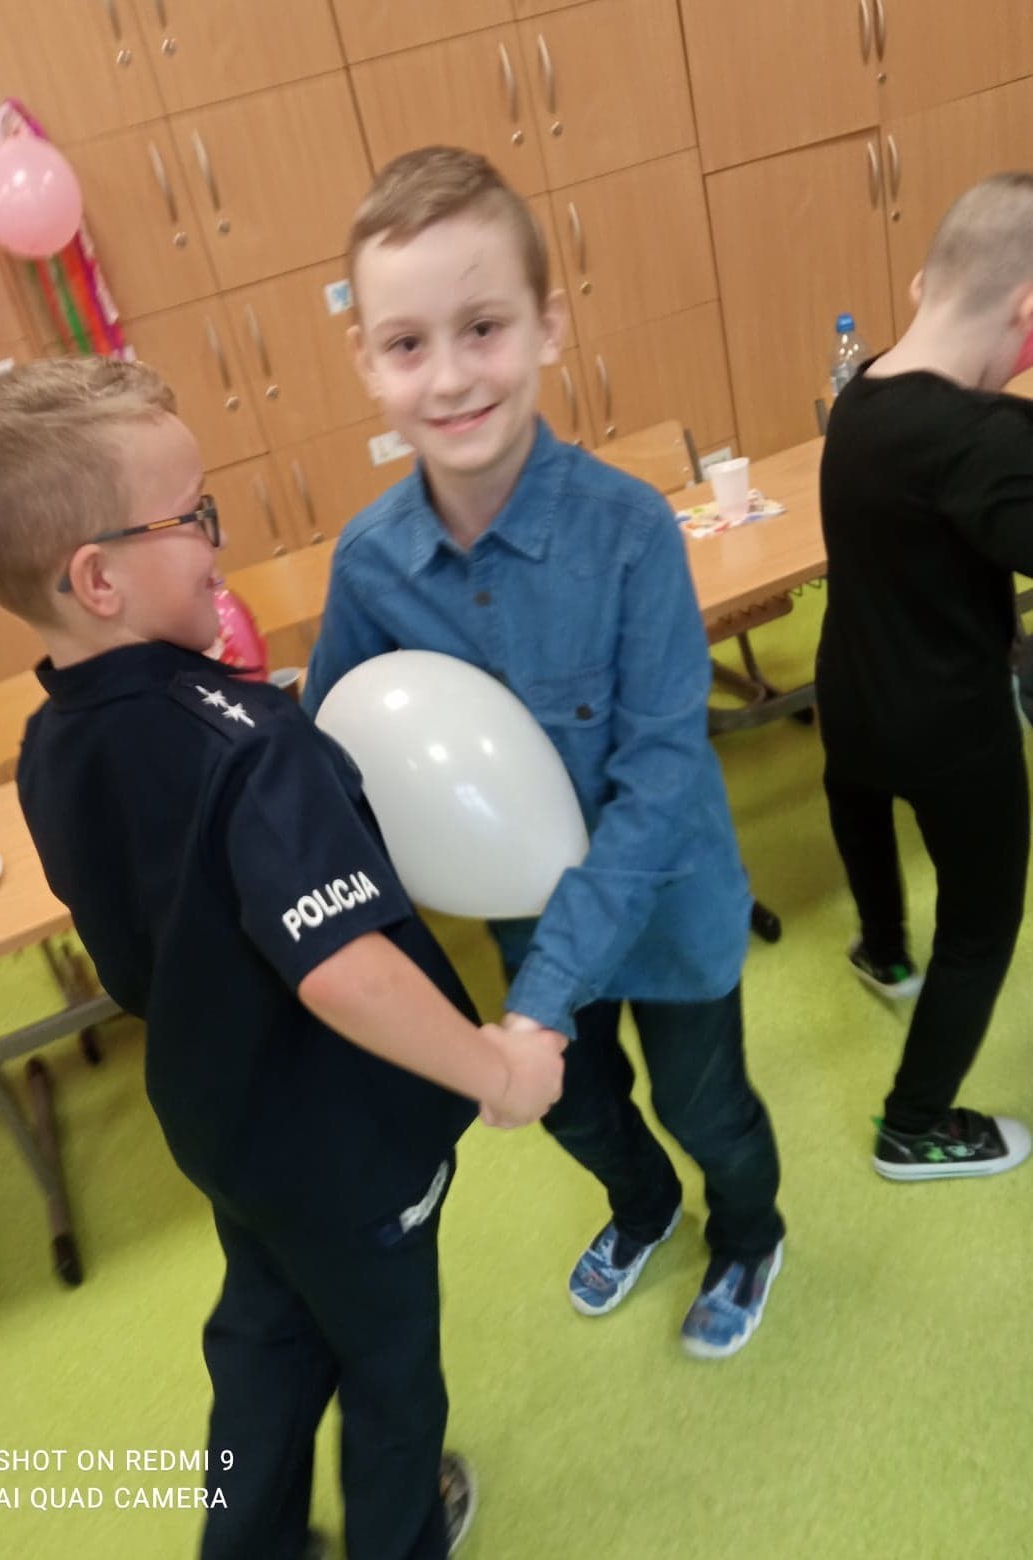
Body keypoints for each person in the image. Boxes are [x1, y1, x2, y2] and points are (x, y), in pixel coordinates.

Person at [0, 357, 565, 1560]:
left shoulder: (51, 744)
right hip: (344, 1147)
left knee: (268, 1340)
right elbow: (343, 969)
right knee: (390, 1367)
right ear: (99, 579)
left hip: (226, 1127)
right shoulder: (253, 747)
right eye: (192, 515)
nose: (218, 538)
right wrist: (496, 1069)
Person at [303, 146, 785, 1360]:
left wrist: (542, 1004)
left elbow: (661, 783)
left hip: (668, 902)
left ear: (549, 326)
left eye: (484, 328)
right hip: (519, 913)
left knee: (706, 1105)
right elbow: (338, 769)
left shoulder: (631, 532)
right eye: (407, 343)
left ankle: (747, 1231)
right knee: (576, 1111)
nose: (450, 376)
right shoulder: (369, 565)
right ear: (365, 360)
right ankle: (644, 1206)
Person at [818, 172, 1033, 1182]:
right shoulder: (986, 441)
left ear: (923, 284)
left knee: (860, 808)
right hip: (950, 725)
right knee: (984, 923)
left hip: (851, 693)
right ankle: (914, 1127)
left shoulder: (857, 392)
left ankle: (881, 950)